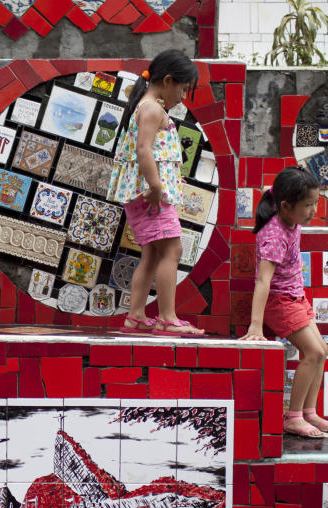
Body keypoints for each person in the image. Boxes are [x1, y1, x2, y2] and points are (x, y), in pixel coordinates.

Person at [107, 49, 204, 336]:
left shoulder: (144, 106)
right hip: (151, 195)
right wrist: (157, 186)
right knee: (172, 249)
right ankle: (167, 317)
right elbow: (143, 149)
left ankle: (136, 315)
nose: (184, 97)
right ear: (169, 80)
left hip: (142, 194)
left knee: (151, 253)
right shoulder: (152, 109)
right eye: (184, 89)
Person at [240, 166, 328, 438]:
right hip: (280, 301)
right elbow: (262, 282)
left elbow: (268, 190)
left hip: (296, 296)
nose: (313, 211)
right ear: (285, 206)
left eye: (315, 202)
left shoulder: (284, 208)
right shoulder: (274, 236)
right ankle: (293, 417)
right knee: (314, 353)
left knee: (321, 350)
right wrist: (256, 327)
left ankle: (309, 412)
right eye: (308, 205)